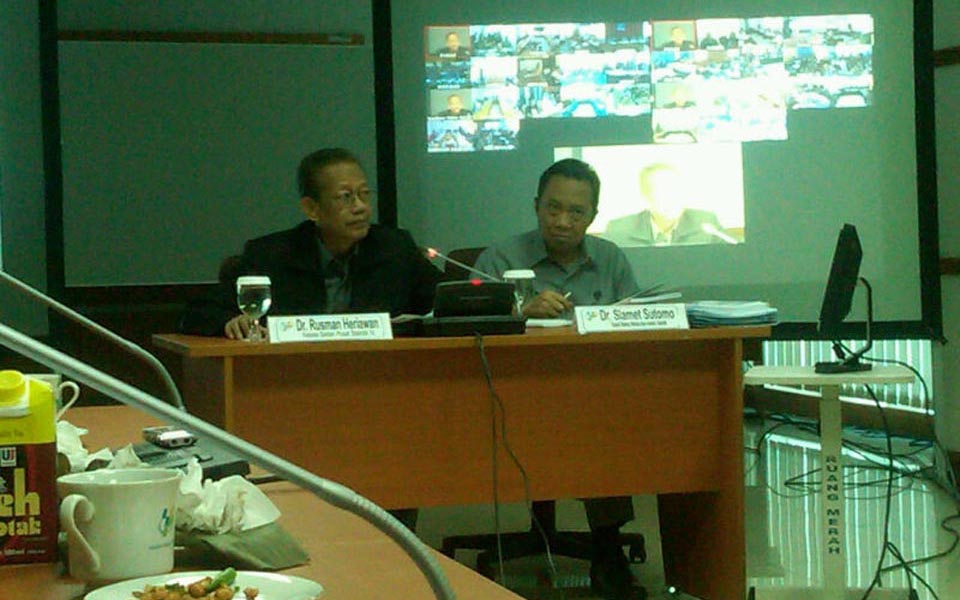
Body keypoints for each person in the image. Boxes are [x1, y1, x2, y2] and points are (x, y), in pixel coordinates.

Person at [474, 158, 645, 600]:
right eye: (553, 209)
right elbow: (461, 328)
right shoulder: (501, 258)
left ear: (593, 215)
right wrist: (517, 312)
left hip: (591, 396)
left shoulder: (611, 259)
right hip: (510, 400)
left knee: (607, 418)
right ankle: (605, 547)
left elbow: (633, 329)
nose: (563, 221)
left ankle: (607, 551)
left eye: (576, 212)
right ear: (536, 207)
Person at [180, 147, 441, 340]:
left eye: (364, 194)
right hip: (293, 378)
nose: (360, 207)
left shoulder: (395, 249)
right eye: (346, 197)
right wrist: (229, 322)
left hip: (379, 375)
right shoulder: (271, 256)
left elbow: (446, 302)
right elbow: (199, 312)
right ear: (312, 209)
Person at [603, 162, 725, 247]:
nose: (673, 199)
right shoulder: (619, 230)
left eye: (677, 191)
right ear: (646, 197)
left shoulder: (706, 223)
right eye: (664, 192)